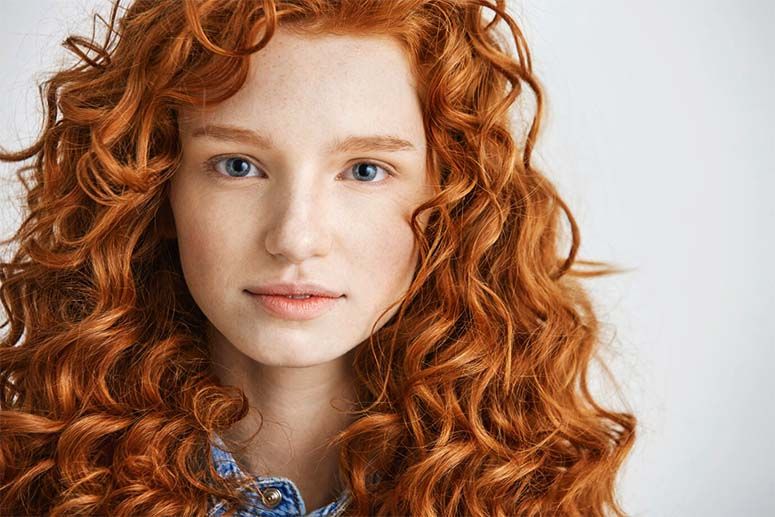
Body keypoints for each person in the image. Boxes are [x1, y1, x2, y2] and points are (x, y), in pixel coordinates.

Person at [0, 0, 636, 516]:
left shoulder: (531, 494)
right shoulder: (28, 480)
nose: (295, 237)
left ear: (452, 197)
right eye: (238, 166)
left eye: (364, 170)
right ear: (156, 188)